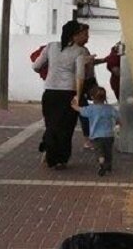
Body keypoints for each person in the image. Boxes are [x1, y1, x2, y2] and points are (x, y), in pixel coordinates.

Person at [32, 20, 91, 170]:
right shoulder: (80, 51)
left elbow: (36, 66)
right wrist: (78, 96)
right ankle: (61, 159)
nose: (86, 36)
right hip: (68, 93)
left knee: (51, 124)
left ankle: (49, 153)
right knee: (66, 127)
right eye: (82, 33)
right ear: (74, 35)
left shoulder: (50, 46)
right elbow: (80, 76)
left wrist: (51, 68)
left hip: (50, 92)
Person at [72, 86, 119, 176]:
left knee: (99, 152)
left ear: (92, 97)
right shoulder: (109, 108)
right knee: (108, 151)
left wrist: (74, 105)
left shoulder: (91, 109)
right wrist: (119, 122)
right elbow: (117, 116)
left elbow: (81, 110)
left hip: (96, 136)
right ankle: (108, 165)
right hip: (109, 135)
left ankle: (102, 163)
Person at [74, 23, 99, 150]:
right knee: (84, 112)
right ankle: (87, 139)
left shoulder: (84, 49)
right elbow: (80, 73)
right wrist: (79, 93)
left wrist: (105, 60)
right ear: (76, 35)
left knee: (89, 111)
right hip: (81, 85)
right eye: (85, 35)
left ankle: (90, 137)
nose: (87, 37)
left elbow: (90, 65)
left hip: (88, 83)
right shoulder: (76, 51)